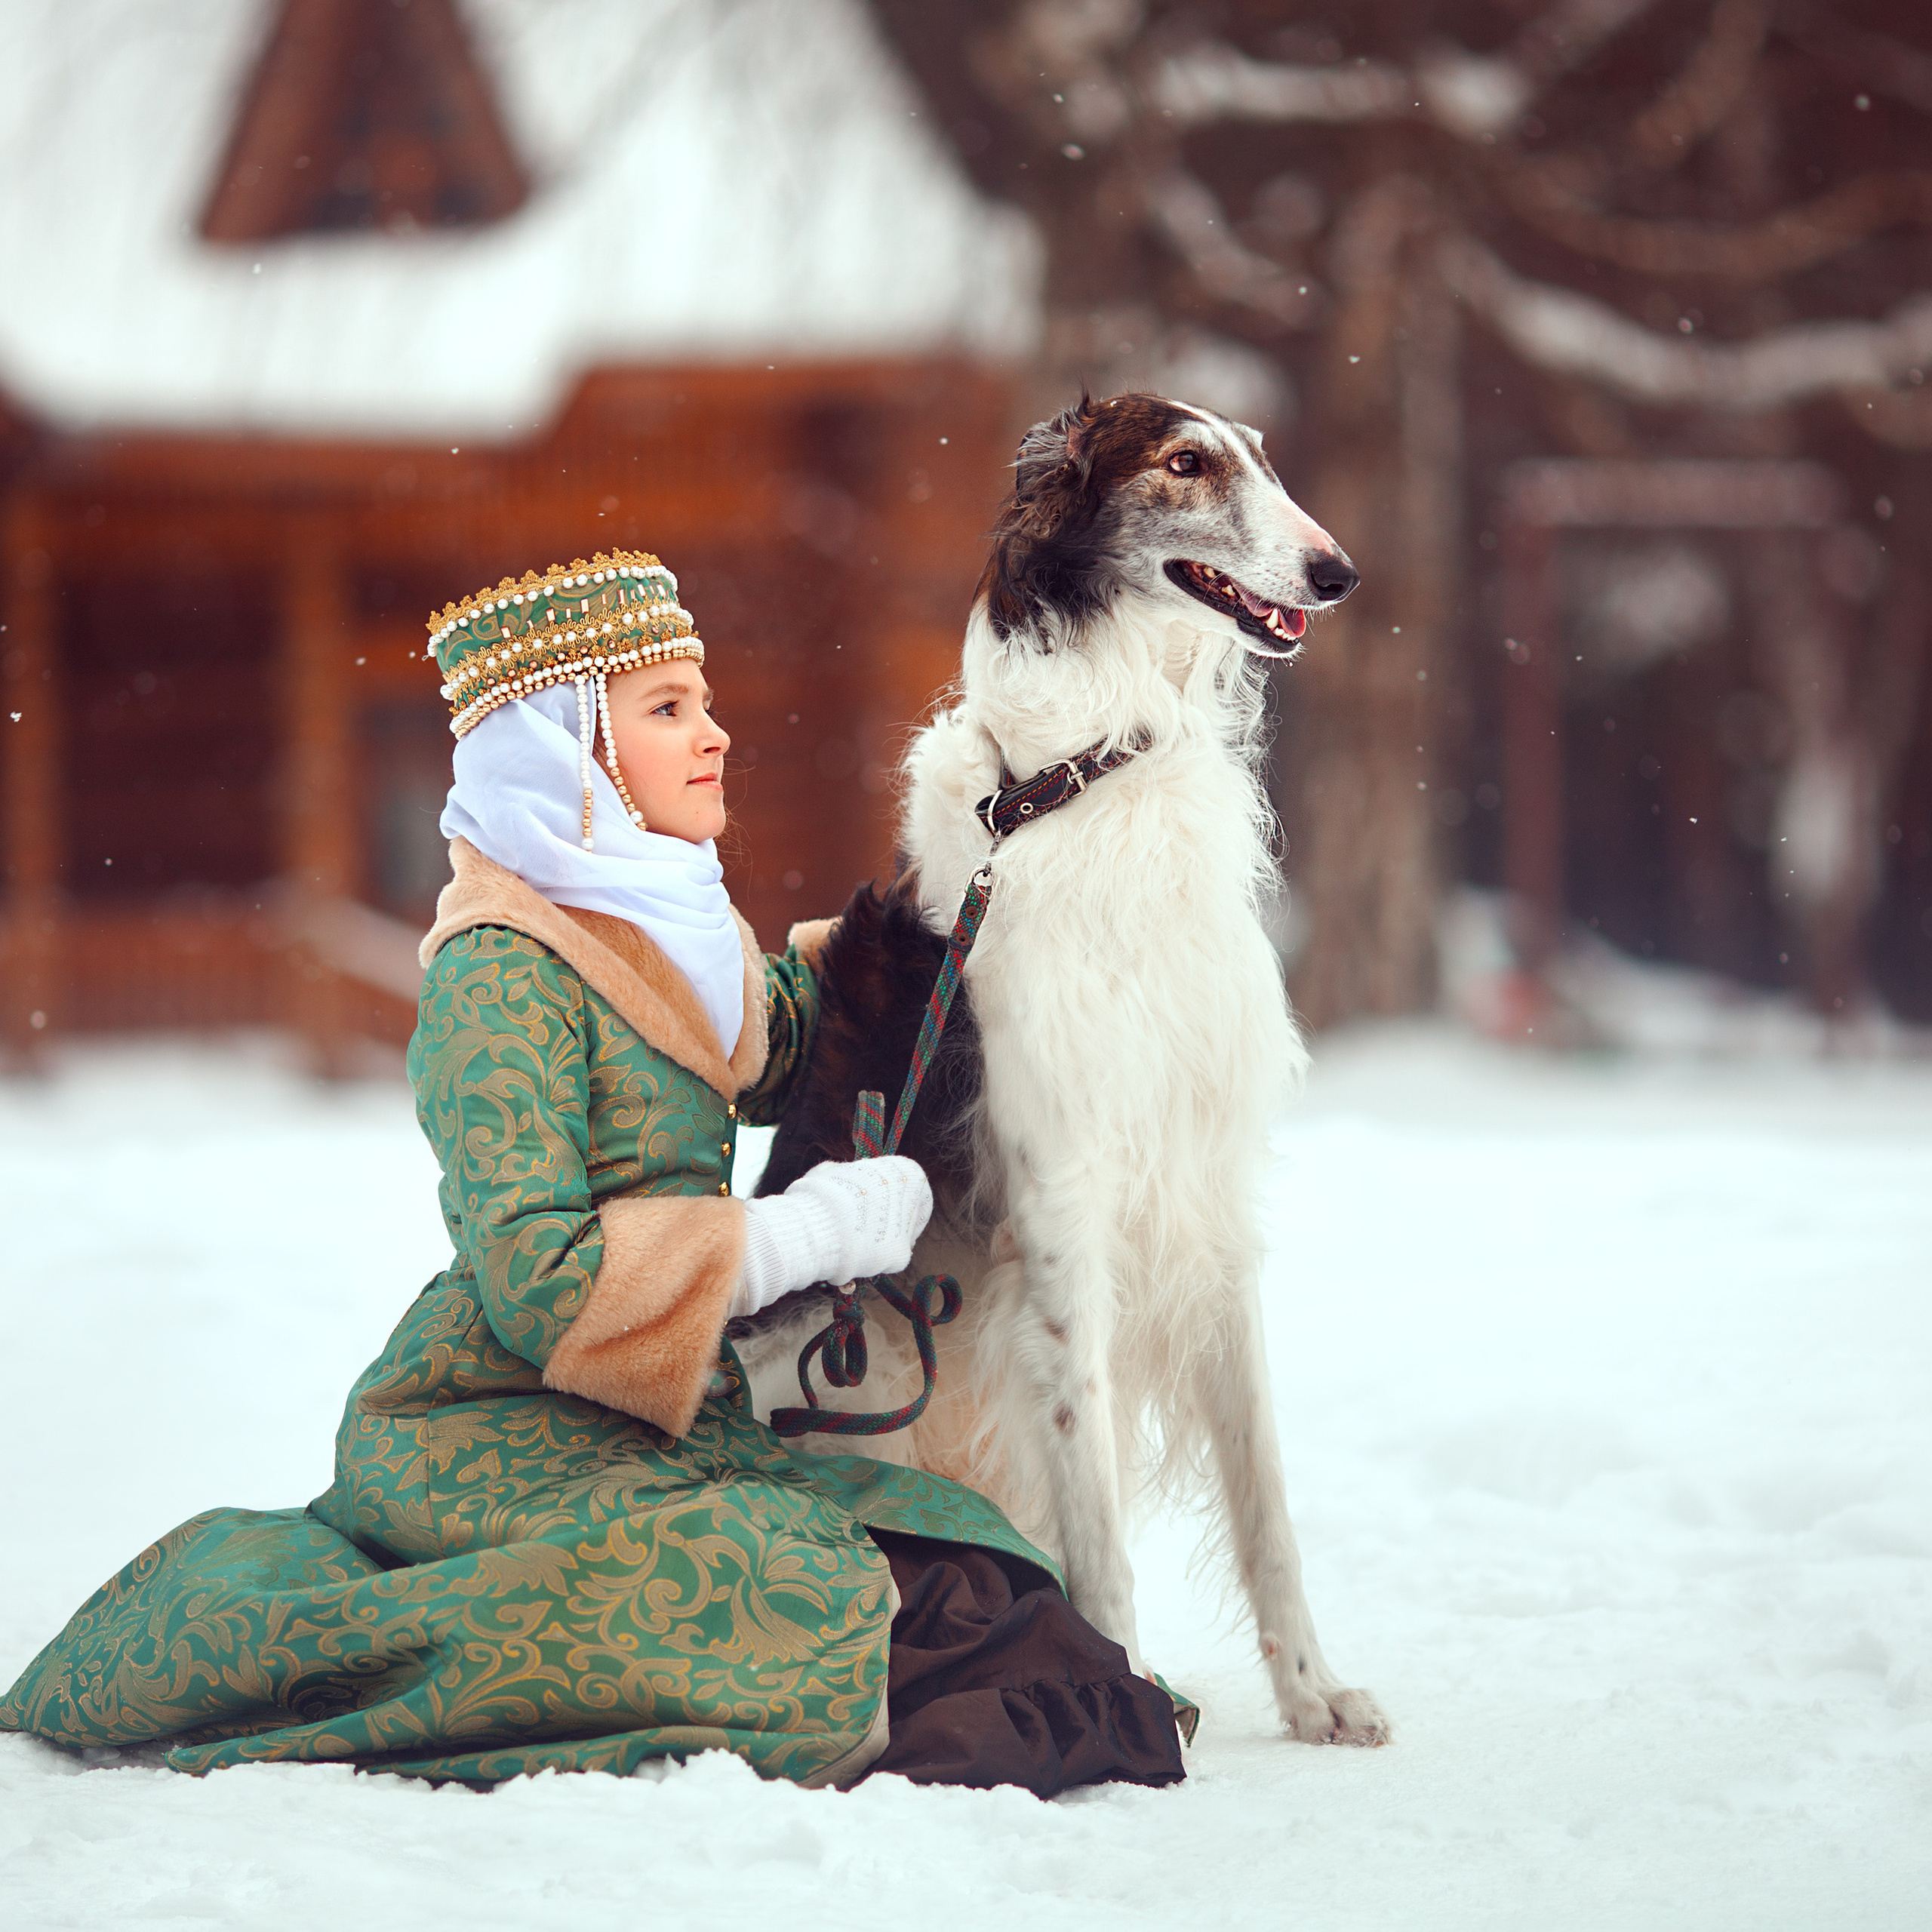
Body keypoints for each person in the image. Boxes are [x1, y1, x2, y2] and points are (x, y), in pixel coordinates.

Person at [0, 549, 1186, 1795]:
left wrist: (927, 926)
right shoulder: (498, 970)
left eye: (707, 703)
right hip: (489, 1412)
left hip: (652, 1415)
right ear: (564, 754)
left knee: (960, 1551)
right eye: (668, 710)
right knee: (799, 1583)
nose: (715, 736)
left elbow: (783, 1038)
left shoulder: (662, 926)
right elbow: (538, 1279)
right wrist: (802, 1234)